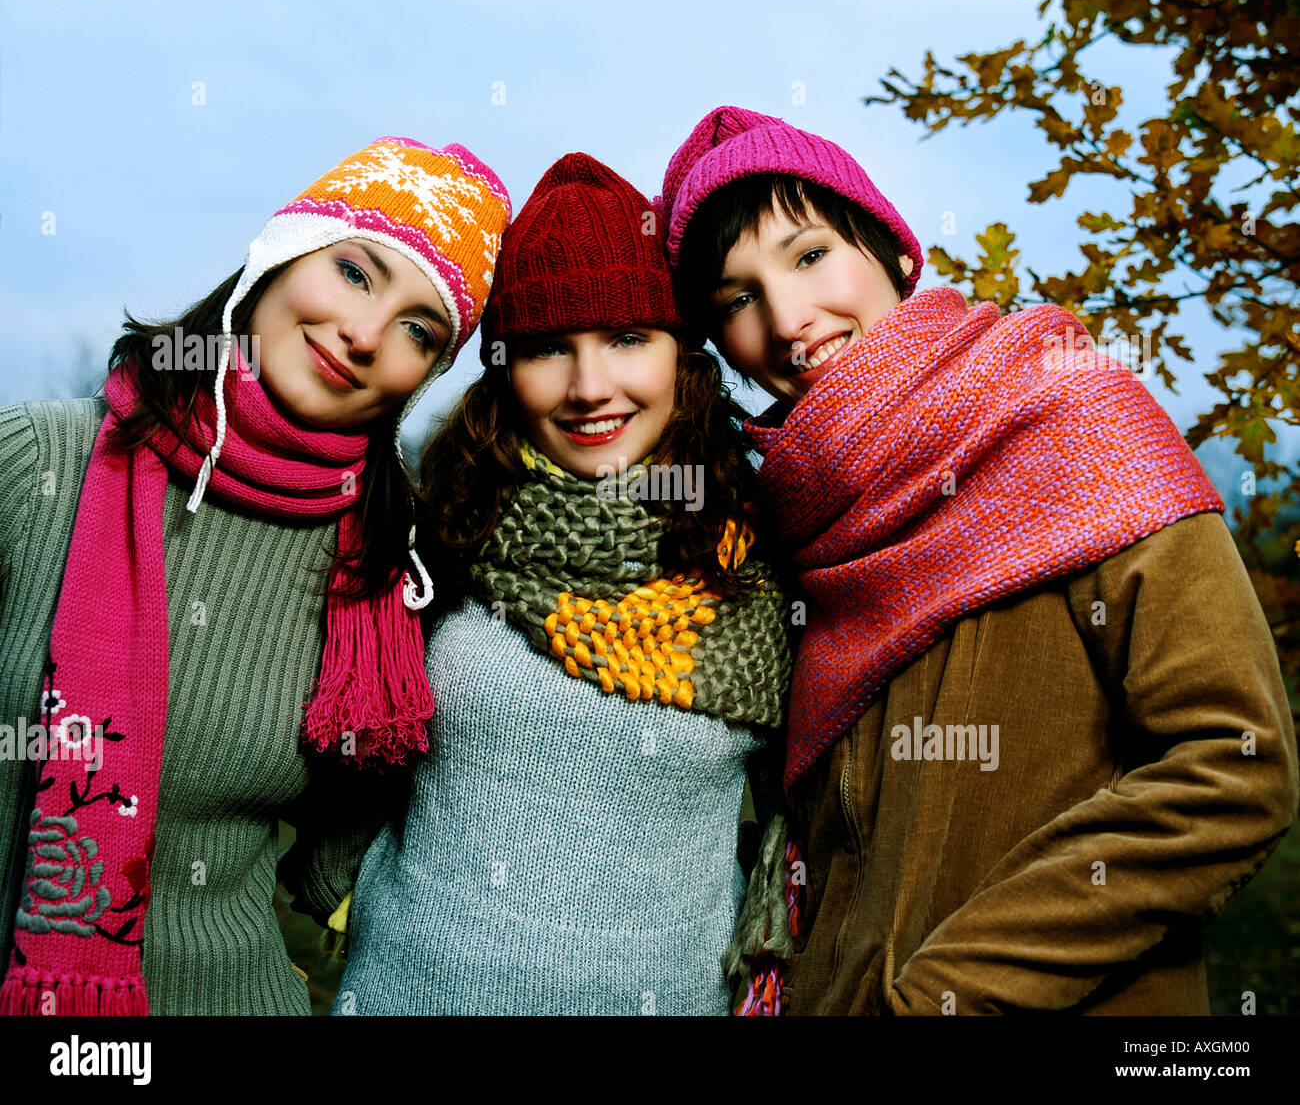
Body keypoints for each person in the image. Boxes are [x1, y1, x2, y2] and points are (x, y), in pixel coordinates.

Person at [660, 105, 1299, 1015]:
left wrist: (950, 995)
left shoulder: (1071, 414)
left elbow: (1233, 766)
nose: (788, 319)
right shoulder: (797, 527)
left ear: (889, 249)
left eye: (808, 256)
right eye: (737, 297)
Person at [0, 136, 511, 1015]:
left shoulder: (383, 580)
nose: (361, 334)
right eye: (355, 273)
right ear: (281, 255)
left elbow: (336, 866)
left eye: (418, 330)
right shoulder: (36, 461)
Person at [332, 152, 793, 1015]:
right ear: (504, 368)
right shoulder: (440, 534)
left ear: (683, 356)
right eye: (548, 349)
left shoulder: (765, 561)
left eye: (627, 339)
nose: (590, 389)